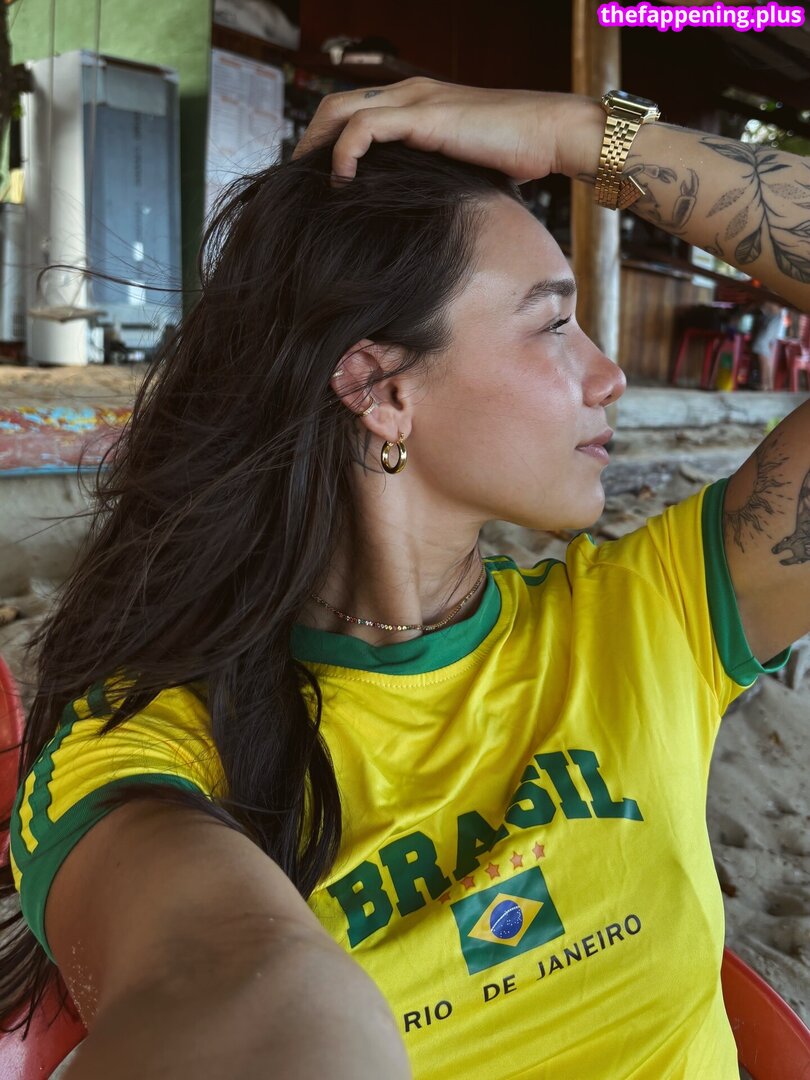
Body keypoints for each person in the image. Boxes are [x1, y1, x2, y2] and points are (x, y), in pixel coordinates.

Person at [2, 80, 809, 1080]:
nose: (610, 378)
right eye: (553, 325)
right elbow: (247, 992)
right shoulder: (149, 750)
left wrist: (577, 133)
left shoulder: (652, 615)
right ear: (381, 390)